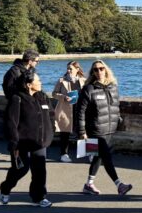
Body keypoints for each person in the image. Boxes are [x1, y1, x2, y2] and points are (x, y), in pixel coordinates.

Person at [0, 69, 54, 207]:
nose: (41, 82)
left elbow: (51, 114)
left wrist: (50, 130)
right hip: (21, 141)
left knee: (40, 170)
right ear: (29, 84)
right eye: (38, 80)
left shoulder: (42, 97)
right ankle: (5, 189)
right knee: (20, 169)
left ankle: (39, 197)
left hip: (40, 140)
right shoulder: (17, 98)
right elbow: (11, 122)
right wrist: (14, 144)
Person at [77, 60, 132, 196]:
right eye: (96, 70)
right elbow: (80, 111)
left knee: (98, 157)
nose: (99, 71)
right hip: (95, 129)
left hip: (109, 128)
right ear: (92, 73)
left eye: (101, 68)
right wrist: (82, 131)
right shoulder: (89, 89)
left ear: (106, 70)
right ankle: (119, 185)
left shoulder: (113, 87)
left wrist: (118, 120)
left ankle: (89, 184)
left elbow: (116, 106)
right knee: (106, 156)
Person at [52, 61, 86, 163]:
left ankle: (84, 153)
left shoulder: (84, 80)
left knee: (82, 131)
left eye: (71, 68)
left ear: (77, 69)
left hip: (80, 109)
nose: (68, 70)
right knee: (65, 132)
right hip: (66, 109)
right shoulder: (61, 81)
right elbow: (54, 94)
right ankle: (64, 154)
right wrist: (63, 97)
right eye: (68, 68)